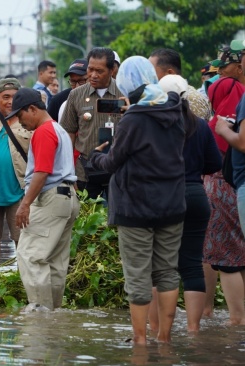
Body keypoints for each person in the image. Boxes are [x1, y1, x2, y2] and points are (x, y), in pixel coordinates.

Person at [90, 56, 186, 344]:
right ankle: (164, 338)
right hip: (172, 204)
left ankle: (141, 343)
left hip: (135, 206)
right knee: (168, 271)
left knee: (138, 274)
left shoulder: (133, 119)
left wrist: (96, 155)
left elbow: (112, 162)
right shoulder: (176, 111)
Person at [147, 75, 222, 333]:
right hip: (196, 196)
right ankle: (193, 330)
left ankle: (158, 331)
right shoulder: (200, 125)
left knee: (158, 266)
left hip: (165, 197)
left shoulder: (156, 123)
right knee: (191, 263)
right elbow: (215, 164)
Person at [8, 88, 79, 311]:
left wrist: (25, 204)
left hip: (50, 197)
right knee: (55, 260)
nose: (21, 123)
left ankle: (40, 312)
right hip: (67, 197)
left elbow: (42, 171)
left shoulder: (44, 131)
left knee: (30, 255)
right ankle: (53, 313)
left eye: (21, 116)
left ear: (32, 109)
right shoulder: (59, 129)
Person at [203, 65, 245, 324]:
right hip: (237, 189)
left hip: (220, 192)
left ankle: (237, 320)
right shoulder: (237, 116)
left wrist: (222, 129)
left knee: (226, 258)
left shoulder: (215, 125)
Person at [60, 47, 124, 200]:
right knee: (86, 219)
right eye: (90, 69)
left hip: (118, 170)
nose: (93, 75)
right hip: (85, 171)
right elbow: (68, 132)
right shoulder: (76, 95)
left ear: (112, 70)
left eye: (99, 71)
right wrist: (69, 172)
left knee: (116, 220)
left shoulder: (124, 93)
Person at [0, 78, 31, 267]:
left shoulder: (28, 119)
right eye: (5, 97)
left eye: (15, 97)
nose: (10, 102)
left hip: (18, 190)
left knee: (22, 238)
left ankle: (23, 280)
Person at [149, 48, 212, 121]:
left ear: (170, 73)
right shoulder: (158, 97)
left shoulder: (192, 100)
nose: (147, 78)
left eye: (151, 73)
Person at [47, 58, 88, 123]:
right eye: (73, 81)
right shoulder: (58, 101)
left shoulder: (99, 99)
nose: (77, 86)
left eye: (81, 81)